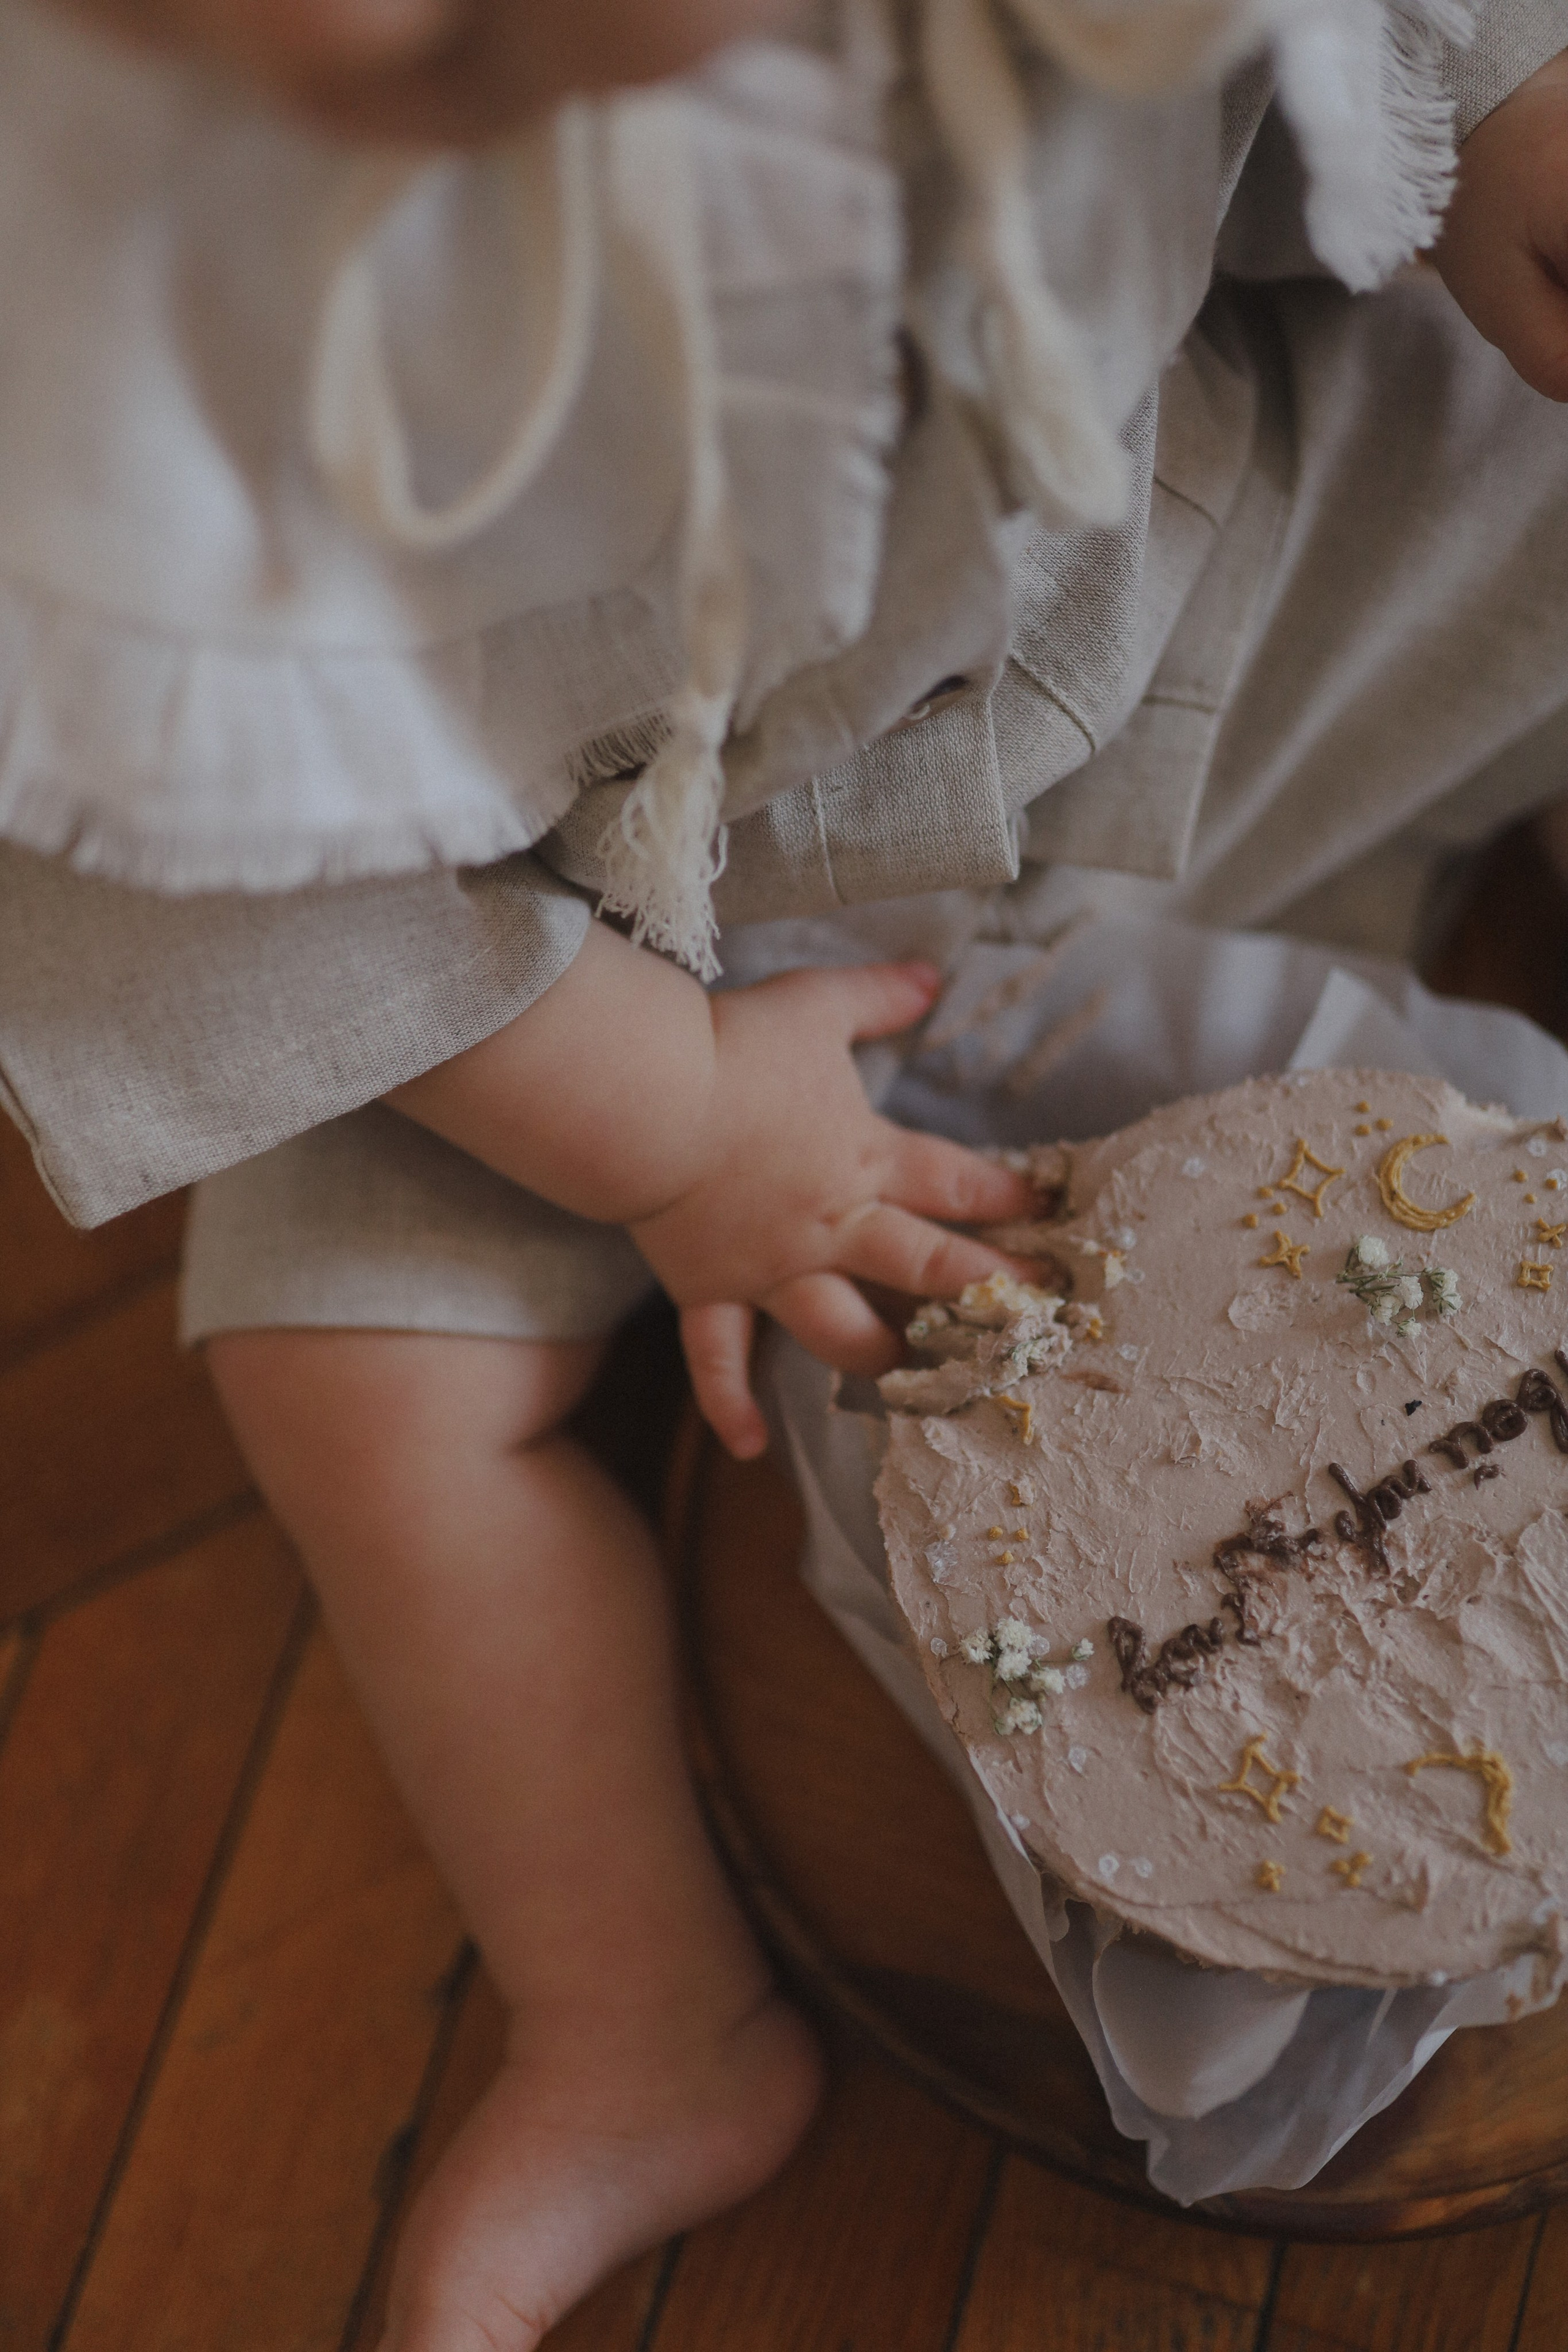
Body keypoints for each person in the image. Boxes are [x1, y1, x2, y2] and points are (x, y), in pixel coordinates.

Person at [3, 1, 1568, 2345]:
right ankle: (643, 2020)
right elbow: (230, 886)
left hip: (1190, 592)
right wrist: (671, 1125)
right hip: (601, 945)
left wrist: (1516, 95)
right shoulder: (96, 404)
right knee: (350, 1379)